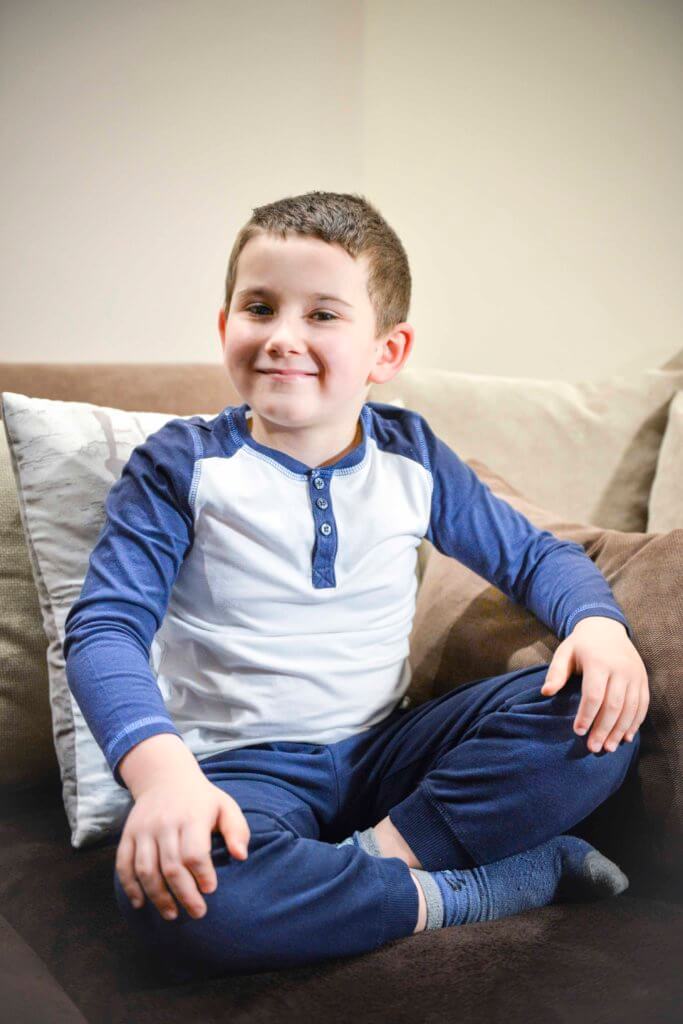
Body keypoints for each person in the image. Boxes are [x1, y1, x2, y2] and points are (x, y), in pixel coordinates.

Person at [63, 190, 649, 980]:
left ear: (386, 351)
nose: (282, 336)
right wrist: (163, 778)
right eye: (260, 308)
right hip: (239, 773)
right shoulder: (182, 465)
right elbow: (105, 629)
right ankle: (483, 886)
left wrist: (598, 625)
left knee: (597, 711)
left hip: (387, 754)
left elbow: (536, 558)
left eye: (321, 315)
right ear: (225, 325)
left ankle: (369, 870)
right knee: (180, 901)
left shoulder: (412, 458)